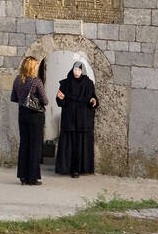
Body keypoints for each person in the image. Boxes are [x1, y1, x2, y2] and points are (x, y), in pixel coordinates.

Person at [55, 60, 99, 177]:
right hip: (69, 118)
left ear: (82, 71)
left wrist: (93, 101)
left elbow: (92, 97)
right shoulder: (66, 83)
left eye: (79, 70)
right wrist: (60, 98)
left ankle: (77, 169)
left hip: (82, 120)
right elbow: (60, 100)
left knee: (80, 145)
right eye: (75, 69)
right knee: (69, 144)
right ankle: (66, 168)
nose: (76, 72)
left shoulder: (88, 84)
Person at [9, 55, 48, 185]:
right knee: (35, 146)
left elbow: (13, 98)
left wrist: (23, 100)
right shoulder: (36, 81)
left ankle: (23, 176)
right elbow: (45, 101)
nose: (37, 68)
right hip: (36, 116)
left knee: (24, 144)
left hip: (22, 114)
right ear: (32, 67)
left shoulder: (17, 80)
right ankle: (33, 178)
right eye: (36, 65)